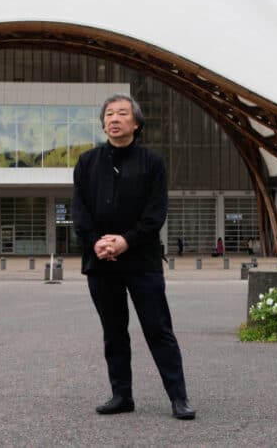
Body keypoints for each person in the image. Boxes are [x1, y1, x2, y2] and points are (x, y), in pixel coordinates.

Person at [73, 93, 195, 421]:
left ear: (136, 124)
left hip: (141, 260)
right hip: (101, 261)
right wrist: (96, 242)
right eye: (109, 114)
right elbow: (80, 210)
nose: (114, 119)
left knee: (158, 329)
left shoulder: (152, 163)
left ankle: (178, 397)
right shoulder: (86, 163)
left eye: (122, 114)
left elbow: (155, 213)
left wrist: (126, 241)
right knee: (114, 331)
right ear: (103, 123)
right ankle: (121, 395)